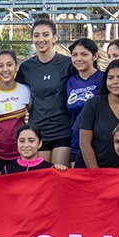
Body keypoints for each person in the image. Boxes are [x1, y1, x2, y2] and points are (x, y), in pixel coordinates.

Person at [15, 16, 74, 166]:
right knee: (42, 180)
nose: (41, 39)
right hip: (38, 132)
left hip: (62, 130)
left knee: (58, 177)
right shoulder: (27, 68)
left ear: (55, 38)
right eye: (36, 35)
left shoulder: (67, 64)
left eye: (45, 34)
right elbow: (19, 96)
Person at [76, 60, 119, 168]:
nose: (115, 82)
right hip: (90, 172)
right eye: (110, 78)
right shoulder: (94, 104)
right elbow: (84, 143)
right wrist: (96, 174)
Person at [66, 38, 105, 164]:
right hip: (75, 141)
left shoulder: (103, 79)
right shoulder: (71, 81)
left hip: (98, 142)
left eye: (84, 54)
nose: (79, 58)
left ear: (95, 56)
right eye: (75, 55)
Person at [1, 124, 68, 175]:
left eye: (31, 141)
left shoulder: (51, 169)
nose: (26, 145)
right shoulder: (7, 170)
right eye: (22, 141)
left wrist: (62, 171)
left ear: (40, 143)